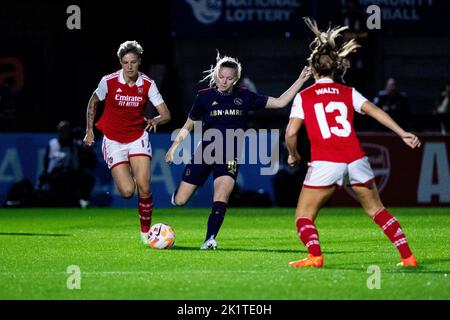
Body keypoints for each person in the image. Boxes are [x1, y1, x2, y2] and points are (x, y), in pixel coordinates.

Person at [284, 18, 421, 268]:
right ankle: (407, 257)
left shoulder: (305, 96)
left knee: (304, 217)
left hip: (326, 161)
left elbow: (291, 132)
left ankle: (315, 256)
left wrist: (293, 155)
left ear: (313, 69)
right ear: (335, 69)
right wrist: (402, 132)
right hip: (356, 158)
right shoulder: (349, 93)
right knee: (376, 210)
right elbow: (375, 111)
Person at [165, 52, 311, 250]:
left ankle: (210, 239)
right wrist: (174, 147)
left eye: (229, 78)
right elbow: (188, 125)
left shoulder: (245, 96)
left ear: (236, 79)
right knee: (181, 200)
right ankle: (177, 197)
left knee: (222, 195)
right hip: (205, 152)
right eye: (221, 76)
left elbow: (280, 102)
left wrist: (301, 79)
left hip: (230, 154)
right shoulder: (204, 97)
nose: (224, 81)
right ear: (216, 75)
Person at [83, 40, 171, 244]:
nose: (129, 67)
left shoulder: (147, 84)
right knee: (127, 192)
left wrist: (155, 119)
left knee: (145, 188)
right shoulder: (109, 81)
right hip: (113, 140)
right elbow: (93, 102)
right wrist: (89, 130)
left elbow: (166, 114)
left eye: (133, 62)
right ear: (120, 63)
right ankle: (128, 169)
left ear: (139, 61)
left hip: (137, 138)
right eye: (125, 62)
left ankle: (146, 233)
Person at [39, 120, 96, 207]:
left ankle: (83, 200)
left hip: (71, 177)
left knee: (87, 178)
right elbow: (46, 162)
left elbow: (89, 162)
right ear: (58, 131)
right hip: (54, 177)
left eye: (66, 130)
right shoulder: (52, 144)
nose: (64, 133)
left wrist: (88, 150)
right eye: (62, 130)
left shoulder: (76, 145)